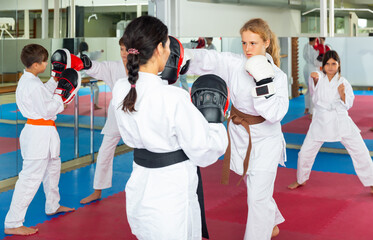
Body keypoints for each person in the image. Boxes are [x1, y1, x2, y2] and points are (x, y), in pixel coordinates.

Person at [111, 16, 228, 239]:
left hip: (140, 188)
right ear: (159, 48)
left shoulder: (120, 88)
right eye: (167, 44)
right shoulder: (173, 97)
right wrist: (214, 121)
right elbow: (204, 152)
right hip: (171, 195)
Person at [184, 18, 288, 239]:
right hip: (241, 134)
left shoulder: (278, 77)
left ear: (266, 43)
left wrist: (263, 84)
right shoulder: (234, 63)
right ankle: (272, 223)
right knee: (256, 188)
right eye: (244, 43)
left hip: (267, 140)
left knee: (257, 198)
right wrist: (182, 56)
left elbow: (275, 114)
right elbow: (210, 59)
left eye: (253, 43)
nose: (248, 49)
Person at [4, 44, 75, 236]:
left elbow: (43, 94)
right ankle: (13, 222)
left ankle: (53, 205)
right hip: (38, 135)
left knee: (53, 170)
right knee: (30, 179)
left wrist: (55, 80)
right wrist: (64, 98)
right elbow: (48, 108)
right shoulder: (31, 84)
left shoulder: (31, 81)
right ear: (36, 64)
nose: (47, 63)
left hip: (45, 133)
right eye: (44, 61)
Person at [288, 50, 373, 193]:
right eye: (327, 64)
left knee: (361, 151)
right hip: (320, 120)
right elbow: (314, 97)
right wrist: (314, 80)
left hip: (340, 120)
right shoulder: (319, 78)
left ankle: (371, 181)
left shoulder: (343, 82)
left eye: (334, 63)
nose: (331, 67)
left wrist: (342, 94)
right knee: (305, 152)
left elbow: (348, 104)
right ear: (323, 66)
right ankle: (301, 179)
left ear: (339, 65)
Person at [79, 38, 128, 204]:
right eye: (121, 49)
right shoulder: (114, 67)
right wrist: (88, 65)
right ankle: (97, 190)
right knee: (104, 153)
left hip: (139, 119)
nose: (124, 53)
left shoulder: (145, 68)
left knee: (145, 155)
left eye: (127, 49)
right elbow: (99, 68)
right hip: (117, 117)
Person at [78, 41, 104, 110]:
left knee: (72, 90)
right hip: (88, 78)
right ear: (87, 48)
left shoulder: (77, 56)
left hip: (80, 78)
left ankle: (65, 103)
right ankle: (95, 104)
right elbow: (95, 54)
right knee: (95, 89)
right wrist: (100, 51)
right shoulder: (89, 54)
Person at [303, 37, 319, 116]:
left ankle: (307, 107)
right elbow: (316, 62)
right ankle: (312, 110)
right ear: (316, 40)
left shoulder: (306, 46)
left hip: (306, 68)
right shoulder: (314, 49)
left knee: (309, 89)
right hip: (312, 68)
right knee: (313, 89)